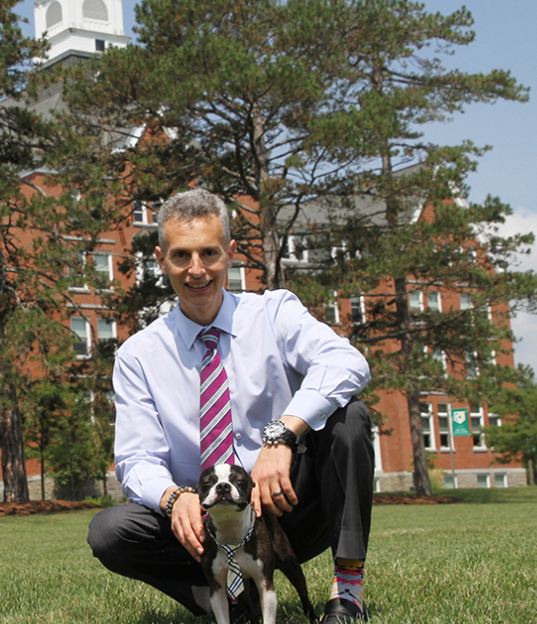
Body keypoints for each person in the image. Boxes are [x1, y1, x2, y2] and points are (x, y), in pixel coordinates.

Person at [88, 189, 374, 624]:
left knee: (349, 418)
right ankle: (222, 599)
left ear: (232, 253)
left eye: (210, 253)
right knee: (110, 532)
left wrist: (283, 433)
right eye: (182, 255)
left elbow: (347, 362)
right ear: (161, 258)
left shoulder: (274, 313)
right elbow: (136, 459)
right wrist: (173, 498)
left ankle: (347, 591)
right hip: (205, 525)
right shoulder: (138, 355)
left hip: (284, 506)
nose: (197, 270)